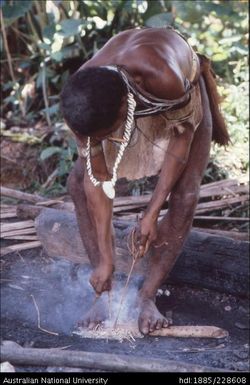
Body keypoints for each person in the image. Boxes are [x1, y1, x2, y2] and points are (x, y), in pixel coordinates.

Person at [61, 27, 229, 335]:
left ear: (125, 110)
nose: (101, 141)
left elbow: (180, 144)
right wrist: (106, 260)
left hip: (177, 94)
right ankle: (105, 295)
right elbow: (96, 180)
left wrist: (152, 212)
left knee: (185, 196)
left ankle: (146, 297)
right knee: (76, 184)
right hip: (123, 97)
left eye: (105, 134)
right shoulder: (81, 96)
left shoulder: (164, 77)